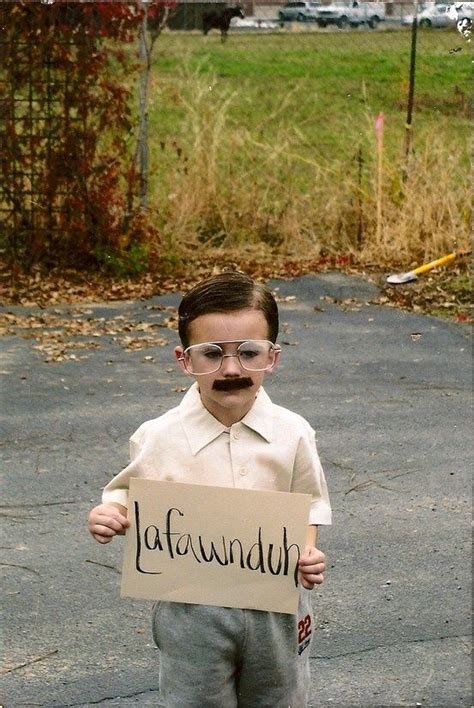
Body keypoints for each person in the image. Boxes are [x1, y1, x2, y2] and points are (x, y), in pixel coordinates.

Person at [88, 271, 332, 707]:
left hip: (275, 604)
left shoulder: (293, 433)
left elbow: (310, 504)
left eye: (249, 353)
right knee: (194, 700)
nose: (232, 369)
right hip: (190, 609)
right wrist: (109, 514)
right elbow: (124, 495)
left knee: (279, 697)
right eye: (212, 354)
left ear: (273, 357)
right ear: (185, 360)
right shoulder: (158, 436)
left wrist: (306, 552)